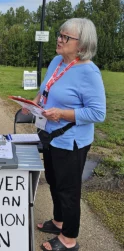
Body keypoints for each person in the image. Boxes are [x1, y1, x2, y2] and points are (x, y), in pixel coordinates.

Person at [23, 18, 106, 251]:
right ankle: (59, 221)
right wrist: (32, 103)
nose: (59, 39)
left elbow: (98, 113)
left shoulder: (89, 71)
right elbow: (45, 89)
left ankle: (69, 239)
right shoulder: (57, 61)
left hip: (72, 141)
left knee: (68, 189)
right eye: (59, 34)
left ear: (81, 44)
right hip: (50, 135)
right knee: (54, 181)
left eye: (65, 37)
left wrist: (62, 113)